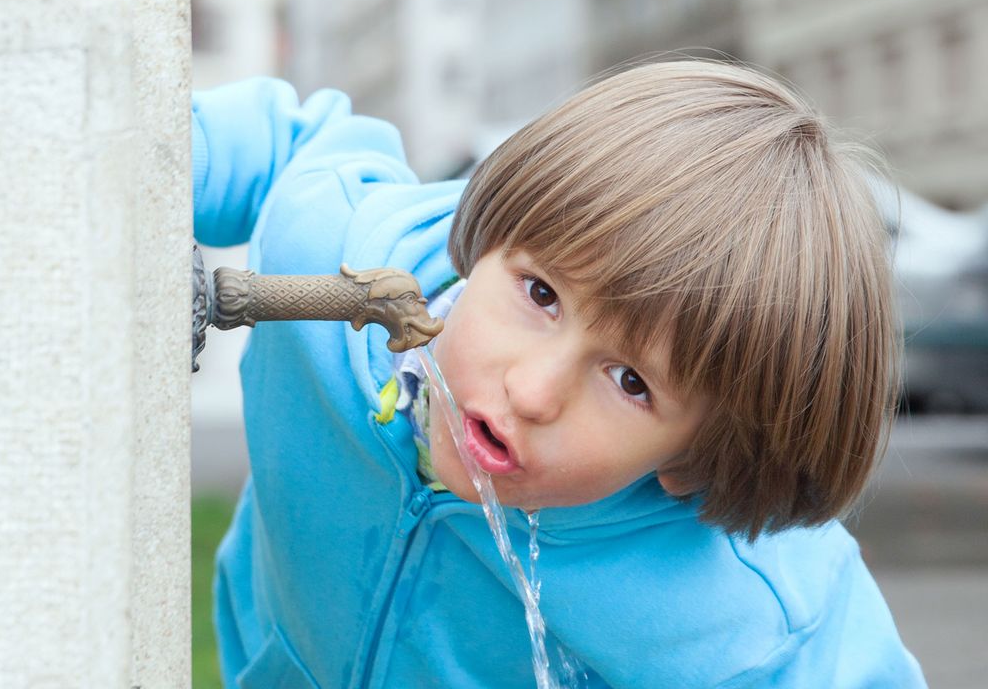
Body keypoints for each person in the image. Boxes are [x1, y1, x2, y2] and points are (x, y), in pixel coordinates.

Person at [192, 61, 926, 687]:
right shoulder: (335, 255)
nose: (533, 392)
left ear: (696, 458)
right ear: (488, 239)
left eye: (631, 382)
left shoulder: (744, 621)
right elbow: (286, 138)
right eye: (540, 294)